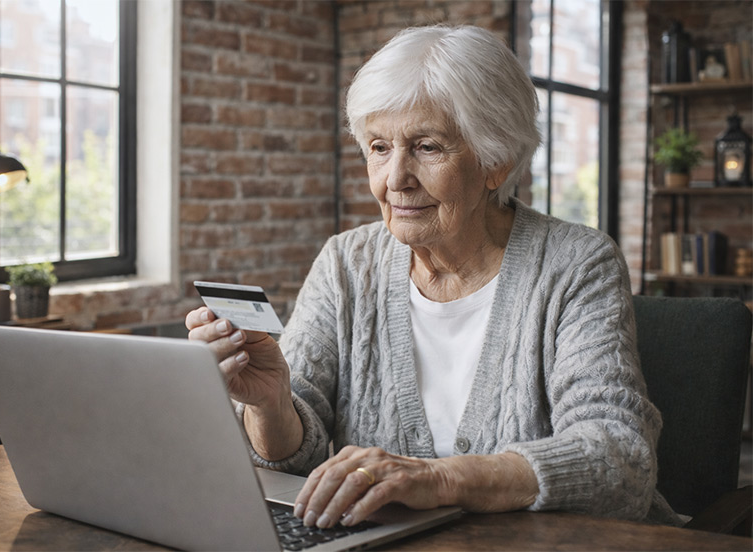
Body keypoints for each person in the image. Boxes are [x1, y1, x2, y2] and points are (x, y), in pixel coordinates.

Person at [186, 25, 680, 528]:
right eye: (379, 147)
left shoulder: (576, 263)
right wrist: (270, 403)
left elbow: (618, 459)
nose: (394, 178)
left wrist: (439, 479)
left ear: (495, 161)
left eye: (426, 147)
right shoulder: (345, 263)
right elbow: (294, 459)